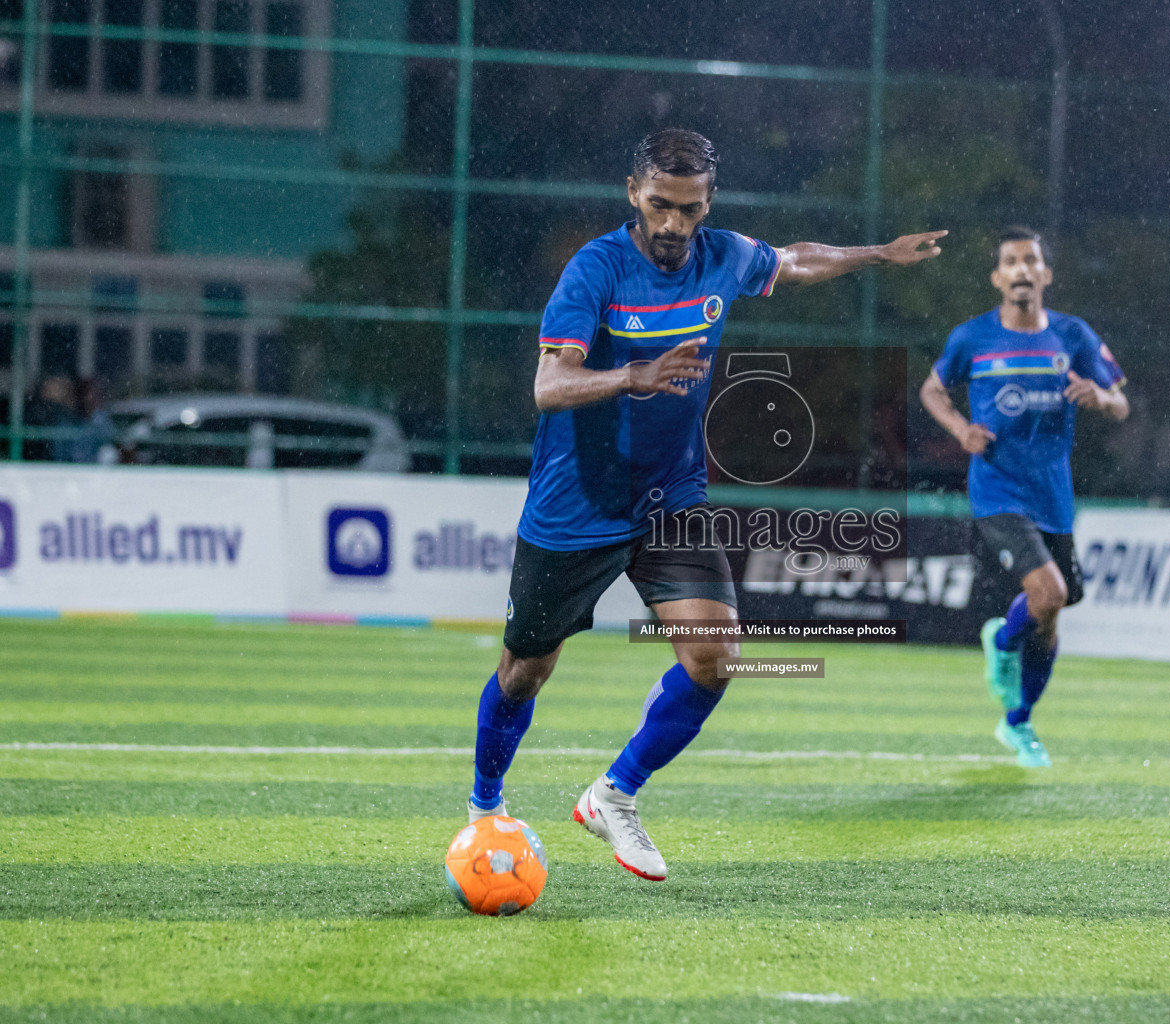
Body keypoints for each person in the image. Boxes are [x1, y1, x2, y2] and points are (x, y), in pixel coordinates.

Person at [469, 128, 946, 881]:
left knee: (716, 658)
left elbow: (791, 260)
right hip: (576, 505)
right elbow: (548, 387)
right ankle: (485, 809)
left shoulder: (722, 254)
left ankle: (613, 795)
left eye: (688, 210)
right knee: (525, 672)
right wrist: (633, 376)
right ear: (634, 194)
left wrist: (877, 254)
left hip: (670, 499)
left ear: (707, 204)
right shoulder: (596, 269)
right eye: (659, 205)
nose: (672, 225)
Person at [919, 226, 1127, 768]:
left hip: (1053, 495)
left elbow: (1121, 404)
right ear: (997, 277)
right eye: (1011, 261)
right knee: (1050, 593)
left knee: (1051, 615)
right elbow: (932, 390)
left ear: (1045, 275)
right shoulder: (973, 338)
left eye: (1030, 260)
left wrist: (1100, 397)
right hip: (997, 488)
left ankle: (1019, 723)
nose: (1021, 270)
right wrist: (961, 429)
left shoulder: (1073, 335)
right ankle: (1004, 645)